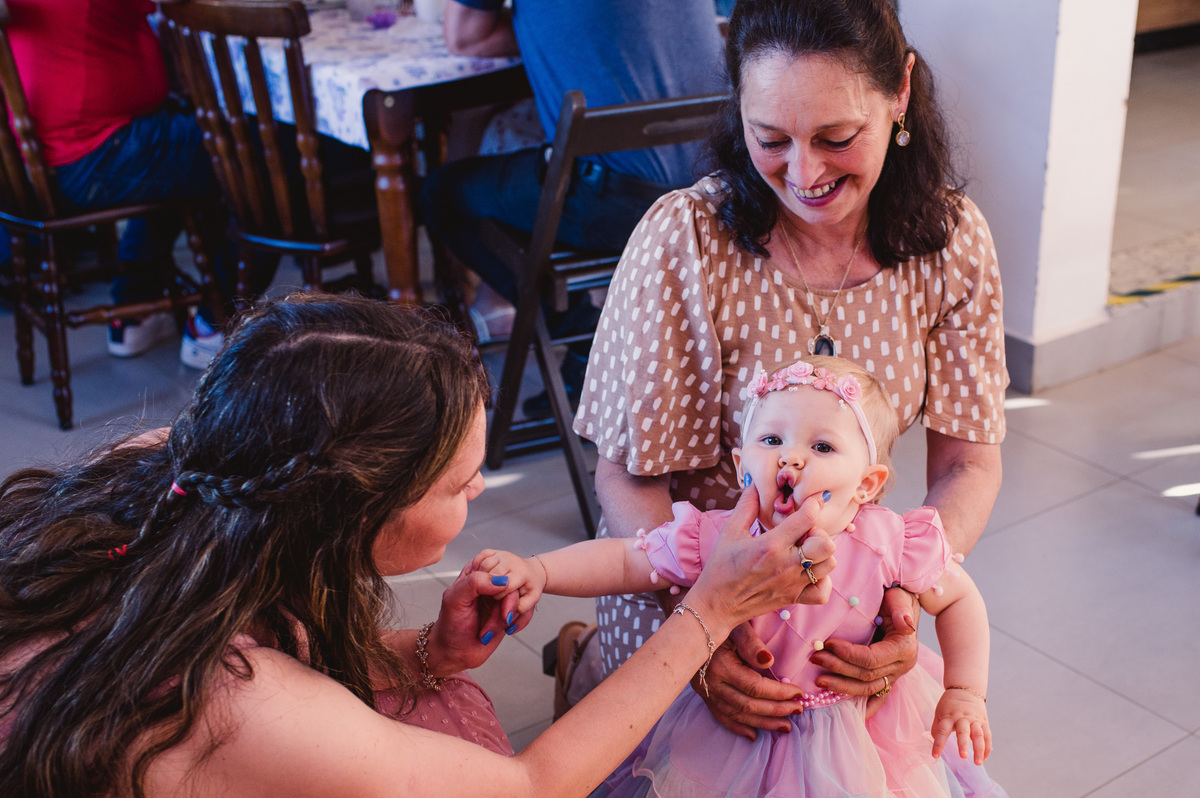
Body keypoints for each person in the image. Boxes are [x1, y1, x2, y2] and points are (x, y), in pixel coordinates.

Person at [0, 292, 837, 797]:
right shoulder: (235, 708)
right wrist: (709, 609)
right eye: (460, 485)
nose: (480, 493)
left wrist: (424, 652)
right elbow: (534, 786)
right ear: (356, 515)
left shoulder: (187, 466)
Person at [571, 0, 1008, 738]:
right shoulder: (687, 239)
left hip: (838, 614)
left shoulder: (949, 240)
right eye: (769, 138)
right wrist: (699, 631)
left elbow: (969, 461)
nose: (803, 173)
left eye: (837, 138)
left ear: (900, 93)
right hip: (685, 591)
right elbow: (630, 476)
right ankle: (588, 662)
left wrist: (905, 584)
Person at [474, 357, 1004, 796]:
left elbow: (959, 599)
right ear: (740, 461)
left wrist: (964, 689)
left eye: (822, 447)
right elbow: (627, 560)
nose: (790, 458)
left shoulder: (890, 542)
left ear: (867, 483)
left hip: (861, 735)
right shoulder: (718, 538)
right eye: (771, 440)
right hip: (736, 731)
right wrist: (541, 569)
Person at [422, 0, 725, 416]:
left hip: (622, 204)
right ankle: (604, 350)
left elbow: (465, 37)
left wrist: (542, 27)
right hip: (718, 190)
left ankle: (587, 343)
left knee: (444, 193)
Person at [6, 0, 226, 367]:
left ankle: (133, 309)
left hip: (54, 156)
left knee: (177, 156)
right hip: (89, 156)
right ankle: (215, 323)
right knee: (252, 153)